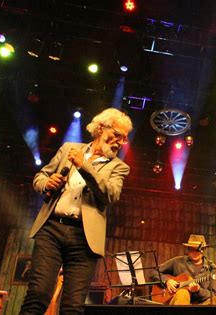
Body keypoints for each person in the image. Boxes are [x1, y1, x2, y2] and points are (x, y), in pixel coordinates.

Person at [20, 108, 133, 314]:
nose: (120, 142)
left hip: (84, 238)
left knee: (73, 306)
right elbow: (40, 177)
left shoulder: (119, 167)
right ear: (100, 128)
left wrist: (85, 166)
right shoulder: (68, 149)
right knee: (38, 294)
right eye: (117, 135)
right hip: (51, 230)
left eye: (124, 139)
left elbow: (111, 195)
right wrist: (47, 183)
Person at [150, 234, 216, 315]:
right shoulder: (178, 262)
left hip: (202, 304)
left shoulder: (212, 268)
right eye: (191, 249)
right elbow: (154, 272)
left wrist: (198, 291)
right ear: (188, 249)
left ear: (203, 250)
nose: (194, 252)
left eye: (197, 249)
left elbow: (212, 294)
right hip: (180, 301)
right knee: (183, 293)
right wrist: (167, 281)